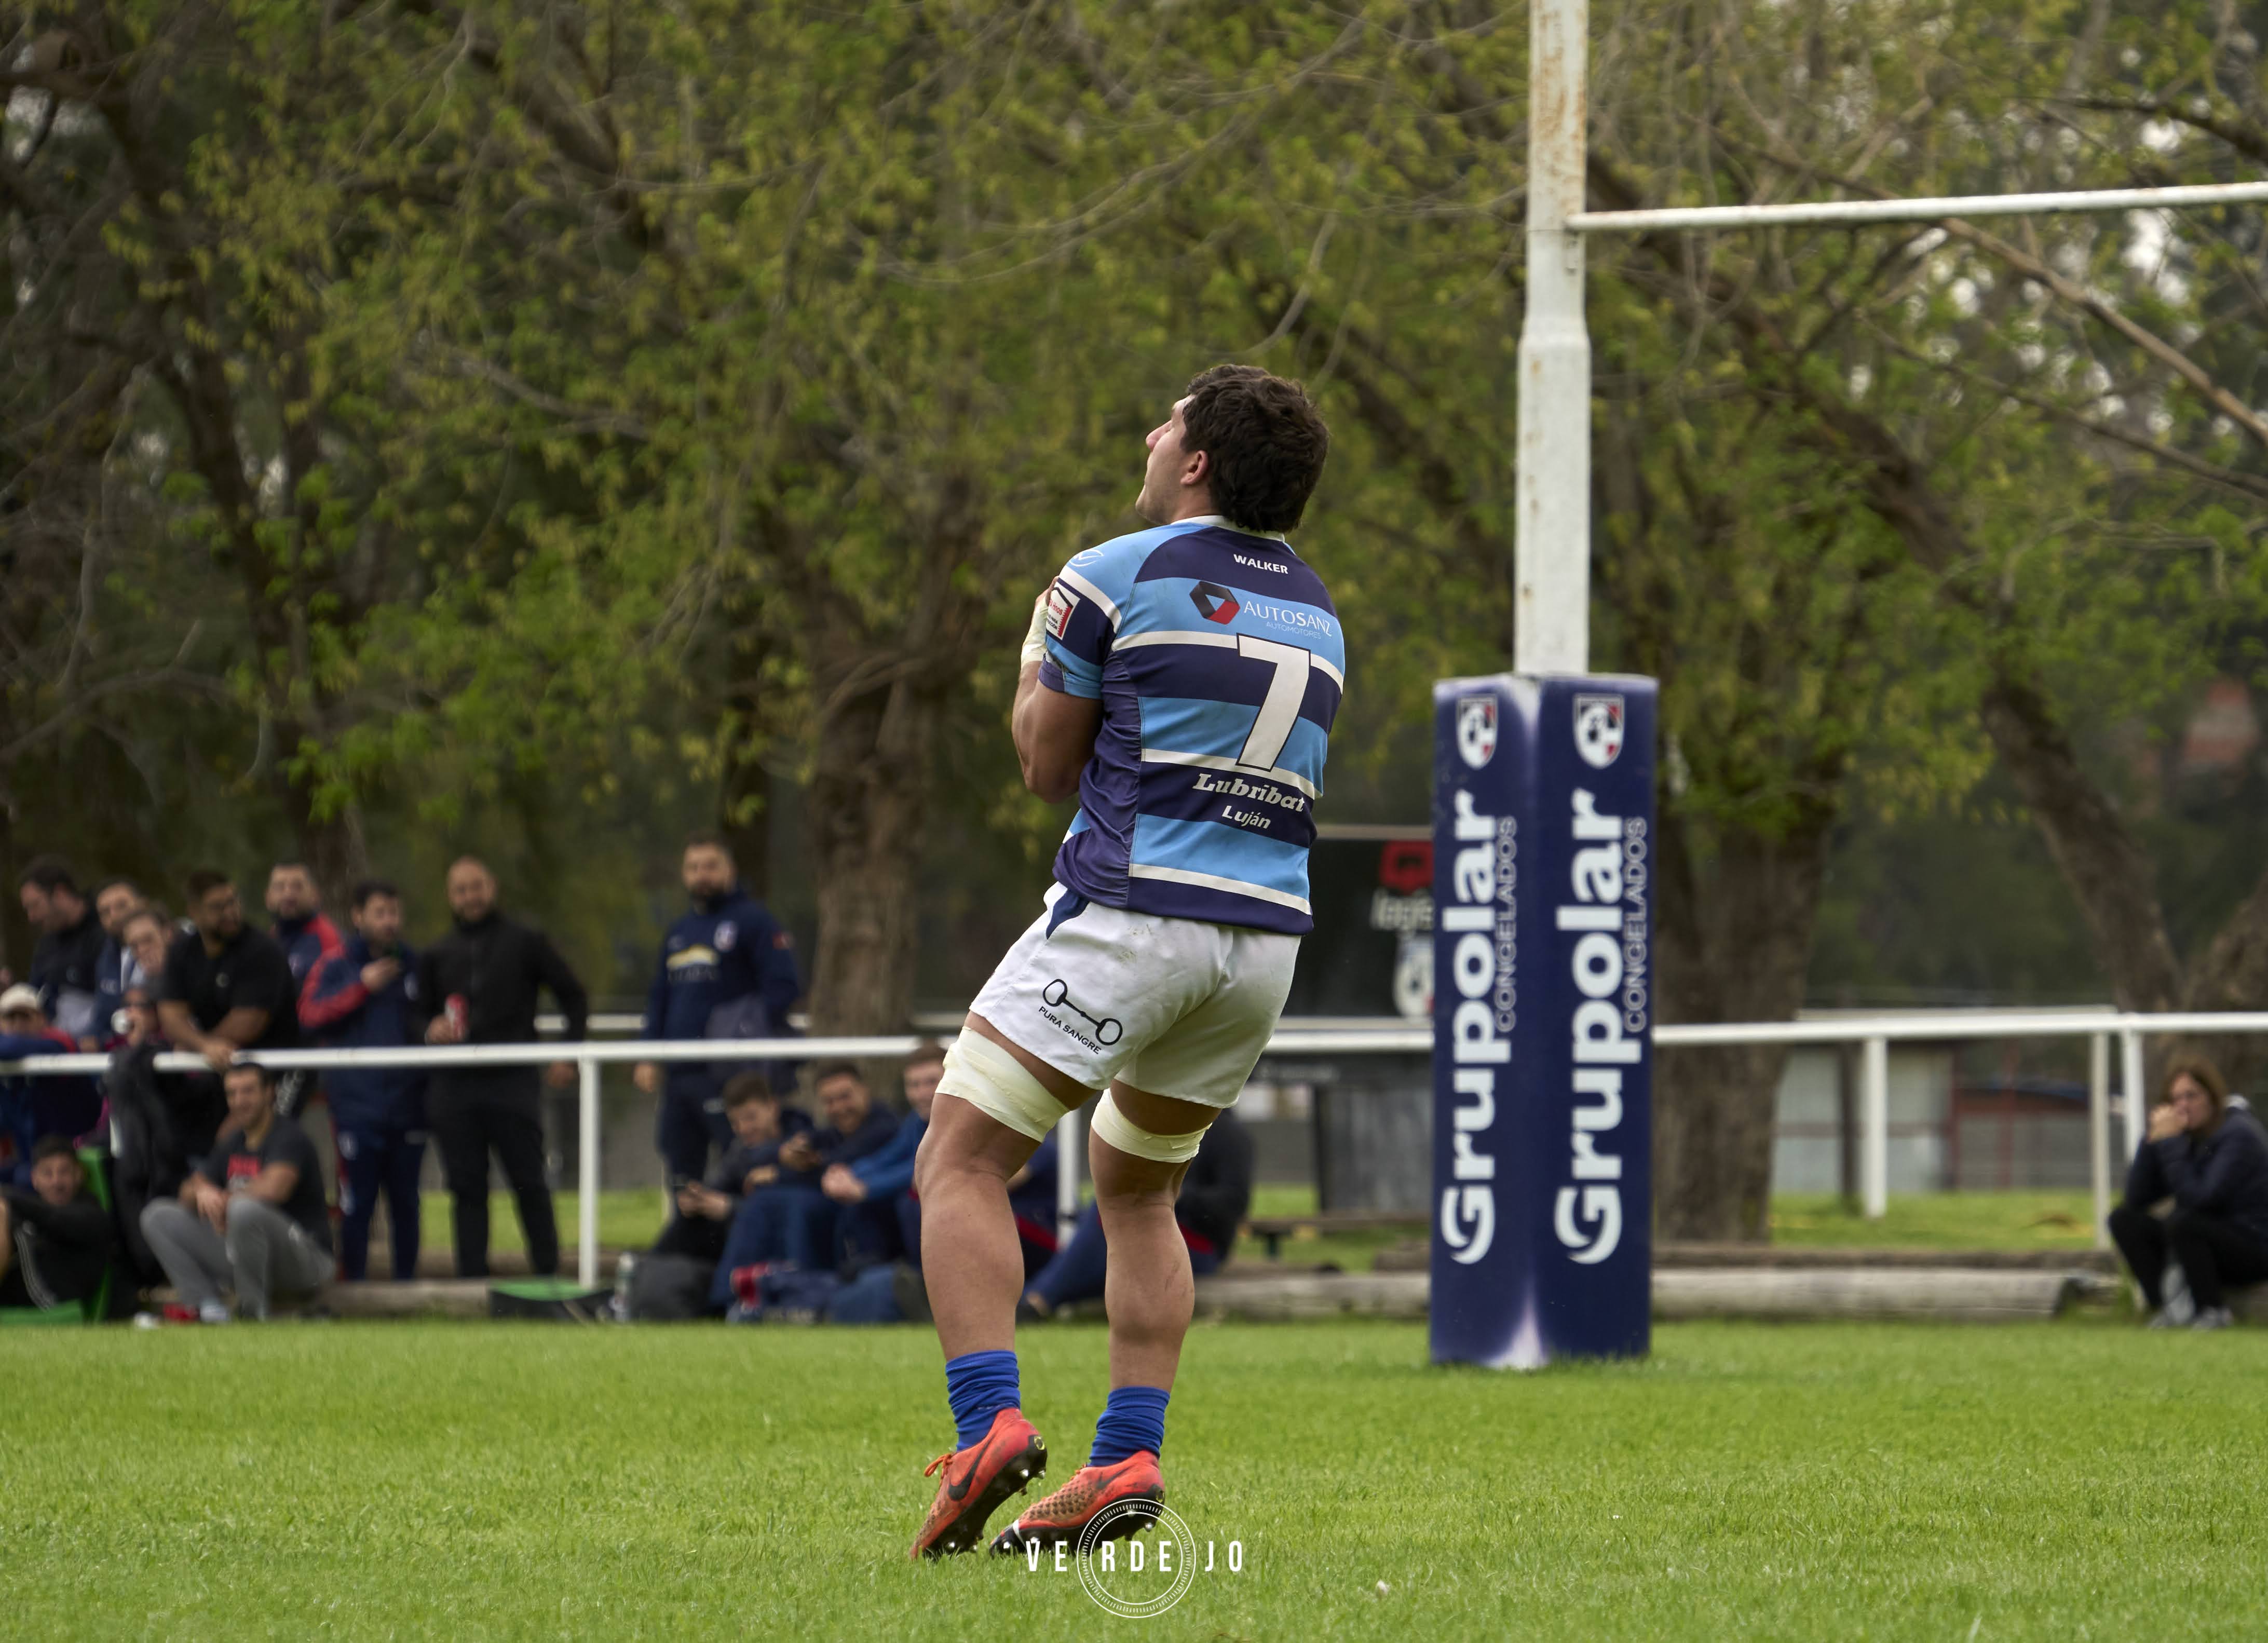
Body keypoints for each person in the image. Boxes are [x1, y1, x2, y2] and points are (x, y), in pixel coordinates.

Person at [907, 365, 1337, 1559]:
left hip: (1135, 914)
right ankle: (1126, 1453)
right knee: (1141, 1190)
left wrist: (1038, 658)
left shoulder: (1109, 573)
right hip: (1262, 943)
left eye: (1169, 423)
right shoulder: (1317, 610)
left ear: (1195, 461)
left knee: (959, 1158)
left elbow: (1047, 766)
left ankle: (985, 1426)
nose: (1150, 435)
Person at [412, 857, 587, 1279]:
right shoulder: (436, 952)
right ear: (450, 896)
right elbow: (414, 1015)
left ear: (493, 888)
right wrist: (429, 1028)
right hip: (454, 1089)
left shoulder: (526, 941)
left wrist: (569, 1052)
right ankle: (472, 1282)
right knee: (466, 1188)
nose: (471, 897)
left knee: (529, 1181)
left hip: (513, 1083)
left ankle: (548, 1275)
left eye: (477, 887)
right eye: (461, 889)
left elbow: (574, 996)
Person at [633, 836, 801, 1186]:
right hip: (680, 1073)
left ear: (730, 870)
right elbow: (659, 997)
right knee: (681, 1170)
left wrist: (740, 1028)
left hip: (731, 1074)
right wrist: (647, 1054)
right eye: (693, 868)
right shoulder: (678, 932)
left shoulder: (755, 922)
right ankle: (685, 1241)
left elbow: (784, 987)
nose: (701, 875)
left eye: (710, 866)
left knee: (738, 1168)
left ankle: (738, 1239)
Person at [139, 1061, 333, 1322]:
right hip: (249, 1257)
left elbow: (276, 1187)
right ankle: (207, 1309)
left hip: (307, 1261)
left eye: (249, 1091)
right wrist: (202, 1192)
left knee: (244, 1210)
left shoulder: (289, 1136)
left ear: (269, 1093)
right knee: (157, 1216)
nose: (240, 1101)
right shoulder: (233, 1141)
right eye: (233, 1093)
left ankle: (253, 1313)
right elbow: (188, 1189)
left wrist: (223, 1202)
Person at [303, 880, 428, 1282]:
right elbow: (310, 1014)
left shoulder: (414, 963)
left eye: (394, 913)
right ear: (358, 916)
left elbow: (426, 1020)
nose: (389, 921)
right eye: (380, 913)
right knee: (357, 1202)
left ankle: (408, 1289)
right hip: (356, 1108)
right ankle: (354, 1285)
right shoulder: (336, 963)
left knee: (407, 1202)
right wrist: (362, 987)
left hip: (408, 1105)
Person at [1021, 1108, 1253, 1317]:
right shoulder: (1167, 1123)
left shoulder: (1228, 1134)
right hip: (1150, 1225)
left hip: (1199, 1245)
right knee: (1110, 1212)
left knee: (1108, 1217)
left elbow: (1233, 1204)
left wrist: (1176, 1194)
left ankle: (1039, 1299)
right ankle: (1037, 1298)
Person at [708, 1061, 898, 1309]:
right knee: (768, 1201)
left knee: (787, 1202)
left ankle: (783, 1293)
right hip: (839, 1215)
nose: (839, 1107)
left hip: (875, 1228)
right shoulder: (834, 1132)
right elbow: (802, 1151)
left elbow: (833, 1168)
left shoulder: (883, 1127)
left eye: (845, 1097)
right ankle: (742, 1294)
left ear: (865, 1091)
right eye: (830, 1101)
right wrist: (783, 1155)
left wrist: (778, 1174)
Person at [2108, 1054, 2268, 1330]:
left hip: (2254, 1246)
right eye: (2175, 1099)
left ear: (2212, 1097)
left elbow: (2202, 1199)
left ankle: (2213, 1311)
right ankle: (2166, 1308)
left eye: (2192, 1096)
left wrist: (2170, 1145)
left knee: (2185, 1223)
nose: (2183, 1106)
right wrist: (2152, 1141)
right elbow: (2136, 1199)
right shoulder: (2186, 1138)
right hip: (2202, 1241)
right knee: (2123, 1219)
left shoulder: (2239, 1135)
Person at [157, 871, 307, 1122]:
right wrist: (203, 1046)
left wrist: (198, 1045)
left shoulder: (262, 950)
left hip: (277, 1066)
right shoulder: (182, 951)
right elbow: (170, 1015)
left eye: (234, 901)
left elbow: (249, 1022)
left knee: (247, 1141)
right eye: (218, 907)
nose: (231, 912)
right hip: (222, 1068)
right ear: (194, 912)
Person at [650, 1073, 812, 1267]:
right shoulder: (742, 1150)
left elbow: (784, 1210)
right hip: (744, 1235)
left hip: (784, 1242)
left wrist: (730, 1208)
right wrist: (698, 1197)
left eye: (751, 1118)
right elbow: (720, 1181)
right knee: (692, 1220)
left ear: (773, 1107)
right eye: (735, 1122)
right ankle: (646, 1272)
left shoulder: (803, 1144)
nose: (744, 1128)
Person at [820, 1041, 946, 1270]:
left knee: (901, 1202)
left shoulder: (957, 1122)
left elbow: (921, 1169)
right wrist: (847, 1174)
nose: (922, 1093)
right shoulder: (917, 1121)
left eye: (931, 1082)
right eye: (914, 1085)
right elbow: (888, 1157)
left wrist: (864, 1189)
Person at [0, 984, 103, 1185]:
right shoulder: (6, 1066)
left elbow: (13, 1046)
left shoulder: (58, 1044)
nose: (17, 1025)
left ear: (41, 1019)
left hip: (74, 1163)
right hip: (31, 1164)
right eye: (10, 1018)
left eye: (25, 1017)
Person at [0, 1136, 115, 1312]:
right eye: (48, 1174)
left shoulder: (92, 1215)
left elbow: (57, 1219)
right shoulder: (33, 1211)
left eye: (65, 1172)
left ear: (79, 1175)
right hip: (20, 1285)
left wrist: (8, 1196)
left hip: (51, 1296)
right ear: (35, 1179)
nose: (57, 1182)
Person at [19, 856, 106, 1047]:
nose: (32, 918)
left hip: (95, 1048)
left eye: (35, 906)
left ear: (60, 893)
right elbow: (33, 996)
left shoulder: (105, 933)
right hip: (51, 1048)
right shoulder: (46, 946)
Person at [91, 877, 150, 1020]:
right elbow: (102, 1014)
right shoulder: (106, 956)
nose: (115, 916)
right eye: (105, 912)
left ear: (143, 904)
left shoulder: (170, 947)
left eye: (122, 906)